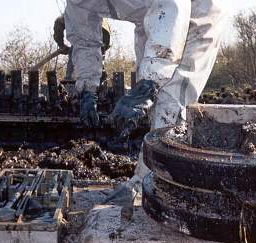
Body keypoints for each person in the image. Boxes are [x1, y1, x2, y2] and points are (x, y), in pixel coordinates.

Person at [62, 0, 226, 203]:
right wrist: (87, 88)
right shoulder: (76, 3)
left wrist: (149, 82)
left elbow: (173, 7)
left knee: (169, 101)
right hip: (150, 21)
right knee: (154, 105)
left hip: (193, 13)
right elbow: (84, 40)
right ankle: (146, 180)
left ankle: (153, 187)